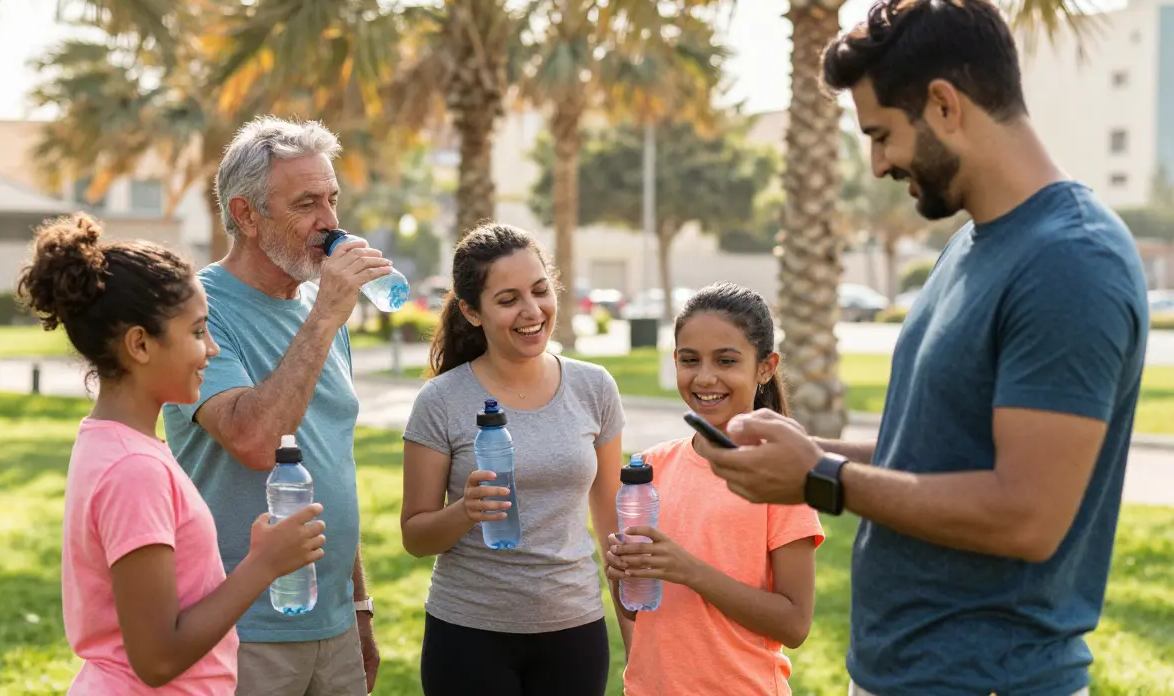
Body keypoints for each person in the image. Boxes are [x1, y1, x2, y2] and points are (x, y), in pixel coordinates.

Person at [694, 0, 1150, 696]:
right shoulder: (974, 244)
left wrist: (821, 479)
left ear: (944, 104)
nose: (877, 166)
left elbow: (1026, 514)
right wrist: (808, 453)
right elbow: (940, 451)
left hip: (990, 682)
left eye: (880, 135)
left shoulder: (1070, 261)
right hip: (903, 677)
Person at [17, 213, 326, 693]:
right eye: (198, 332)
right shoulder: (132, 470)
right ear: (140, 344)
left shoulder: (114, 442)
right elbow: (157, 658)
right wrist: (262, 566)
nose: (213, 349)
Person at [161, 116, 390, 696]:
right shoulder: (198, 310)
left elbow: (330, 462)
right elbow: (257, 441)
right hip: (244, 629)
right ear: (246, 216)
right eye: (306, 203)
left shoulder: (320, 306)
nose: (330, 222)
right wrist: (326, 315)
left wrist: (359, 606)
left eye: (332, 199)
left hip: (333, 624)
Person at [399, 223, 628, 696]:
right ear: (471, 311)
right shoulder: (441, 401)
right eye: (508, 300)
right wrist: (464, 511)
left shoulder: (595, 387)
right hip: (469, 636)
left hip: (574, 630)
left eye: (540, 291)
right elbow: (416, 536)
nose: (532, 311)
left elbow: (612, 522)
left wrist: (635, 632)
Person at [604, 282, 823, 696]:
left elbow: (794, 624)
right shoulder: (650, 468)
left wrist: (690, 571)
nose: (705, 378)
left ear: (765, 367)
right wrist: (620, 577)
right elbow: (637, 614)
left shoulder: (780, 474)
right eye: (690, 360)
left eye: (726, 361)